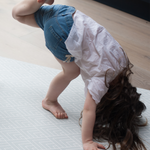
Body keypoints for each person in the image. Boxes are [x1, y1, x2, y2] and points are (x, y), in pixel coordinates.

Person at [12, 0, 147, 150]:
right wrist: (87, 141)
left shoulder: (122, 61)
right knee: (71, 72)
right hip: (61, 34)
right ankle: (49, 100)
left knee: (18, 15)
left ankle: (38, 2)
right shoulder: (101, 81)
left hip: (69, 15)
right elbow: (89, 110)